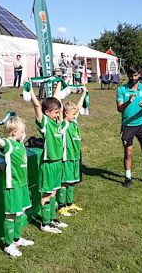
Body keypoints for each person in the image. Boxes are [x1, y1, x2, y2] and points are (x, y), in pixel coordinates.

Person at [0, 115, 35, 257]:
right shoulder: (8, 144)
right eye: (22, 131)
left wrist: (22, 137)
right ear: (13, 132)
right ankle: (8, 244)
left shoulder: (20, 144)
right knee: (11, 215)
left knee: (21, 212)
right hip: (12, 186)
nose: (24, 133)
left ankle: (17, 239)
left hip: (22, 185)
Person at [28, 83, 68, 233]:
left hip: (58, 163)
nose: (58, 114)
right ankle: (45, 224)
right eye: (56, 112)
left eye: (59, 112)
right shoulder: (45, 123)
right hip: (49, 164)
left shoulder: (56, 121)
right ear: (47, 112)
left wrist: (58, 83)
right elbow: (37, 107)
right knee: (46, 193)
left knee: (54, 192)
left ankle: (51, 218)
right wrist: (30, 90)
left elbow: (55, 99)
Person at [116, 66, 142, 188]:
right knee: (128, 153)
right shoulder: (121, 90)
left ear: (139, 75)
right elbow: (119, 109)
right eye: (131, 75)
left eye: (136, 75)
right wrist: (128, 101)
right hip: (128, 126)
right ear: (128, 76)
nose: (133, 78)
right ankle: (128, 178)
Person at [56, 86, 87, 217]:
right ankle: (61, 206)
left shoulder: (74, 122)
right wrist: (60, 85)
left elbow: (78, 108)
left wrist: (84, 93)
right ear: (65, 114)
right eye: (73, 114)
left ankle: (70, 203)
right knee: (64, 182)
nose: (75, 115)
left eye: (75, 113)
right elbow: (58, 101)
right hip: (67, 157)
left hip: (75, 156)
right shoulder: (64, 124)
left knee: (73, 181)